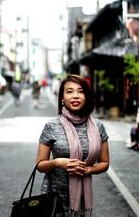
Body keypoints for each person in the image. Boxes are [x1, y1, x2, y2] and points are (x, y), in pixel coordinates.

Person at [36, 74, 110, 217]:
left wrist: (88, 170)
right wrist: (58, 162)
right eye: (69, 91)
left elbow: (105, 163)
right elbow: (40, 164)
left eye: (80, 91)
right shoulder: (51, 126)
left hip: (82, 197)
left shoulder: (98, 126)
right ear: (62, 98)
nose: (75, 96)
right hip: (54, 196)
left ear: (87, 96)